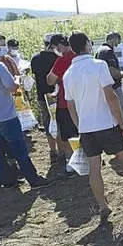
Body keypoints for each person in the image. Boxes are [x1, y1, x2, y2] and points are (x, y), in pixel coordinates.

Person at [63, 32, 123, 217]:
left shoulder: (68, 74)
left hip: (86, 129)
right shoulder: (98, 65)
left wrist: (80, 126)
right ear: (87, 45)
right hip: (106, 124)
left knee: (94, 167)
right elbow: (110, 95)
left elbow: (70, 106)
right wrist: (121, 122)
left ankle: (102, 206)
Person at [0, 34, 52, 190]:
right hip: (4, 115)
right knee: (19, 148)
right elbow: (12, 87)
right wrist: (18, 80)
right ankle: (33, 179)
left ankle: (6, 180)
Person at [47, 34, 78, 172]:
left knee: (67, 136)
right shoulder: (80, 57)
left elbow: (50, 80)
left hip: (65, 103)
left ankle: (71, 162)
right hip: (82, 102)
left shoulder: (61, 61)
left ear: (59, 46)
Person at [30, 34, 61, 162]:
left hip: (42, 96)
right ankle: (62, 150)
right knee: (59, 122)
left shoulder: (35, 59)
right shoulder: (58, 58)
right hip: (57, 95)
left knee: (48, 123)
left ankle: (53, 150)